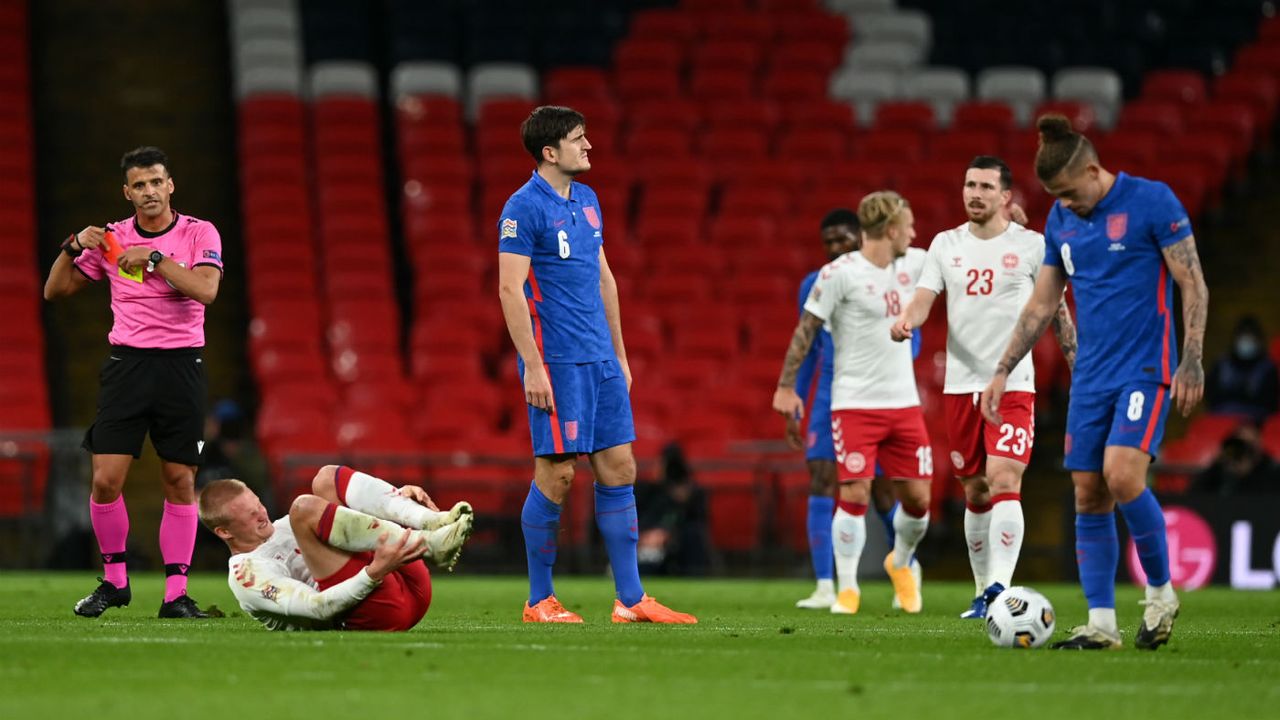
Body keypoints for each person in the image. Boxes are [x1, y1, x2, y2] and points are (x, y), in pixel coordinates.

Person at [981, 115, 1209, 650]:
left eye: (1069, 192)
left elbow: (1192, 283)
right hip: (1091, 376)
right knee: (1088, 495)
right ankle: (1102, 624)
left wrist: (1191, 358)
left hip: (1144, 368)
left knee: (1123, 474)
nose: (1066, 203)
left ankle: (1160, 595)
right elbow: (1042, 304)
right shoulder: (1062, 221)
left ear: (1092, 169)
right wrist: (1000, 369)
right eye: (1055, 196)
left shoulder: (1151, 202)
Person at [497, 105, 696, 624]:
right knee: (557, 476)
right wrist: (533, 367)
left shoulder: (587, 200)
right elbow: (509, 289)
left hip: (601, 360)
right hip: (558, 362)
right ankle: (538, 600)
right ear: (550, 151)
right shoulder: (522, 208)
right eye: (579, 140)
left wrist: (621, 356)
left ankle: (630, 600)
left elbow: (605, 279)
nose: (589, 147)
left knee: (621, 468)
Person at [890, 156, 1078, 619]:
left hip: (1015, 383)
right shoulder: (945, 244)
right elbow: (923, 297)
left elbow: (1056, 310)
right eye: (969, 184)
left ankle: (1000, 588)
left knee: (1004, 479)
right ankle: (982, 591)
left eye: (985, 187)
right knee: (975, 490)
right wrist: (907, 321)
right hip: (961, 386)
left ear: (1005, 196)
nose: (974, 193)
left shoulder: (1033, 246)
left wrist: (1077, 361)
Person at [44, 146, 224, 619]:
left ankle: (175, 595)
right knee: (104, 480)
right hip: (127, 367)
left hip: (182, 366)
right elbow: (55, 290)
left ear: (170, 186)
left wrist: (157, 258)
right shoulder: (112, 239)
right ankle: (115, 582)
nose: (148, 192)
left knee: (179, 479)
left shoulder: (198, 232)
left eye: (155, 182)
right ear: (127, 193)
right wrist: (73, 245)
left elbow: (206, 289)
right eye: (139, 185)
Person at [773, 191, 933, 616]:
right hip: (845, 400)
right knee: (844, 486)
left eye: (843, 237)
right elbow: (806, 338)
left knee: (910, 498)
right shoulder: (831, 277)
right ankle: (839, 588)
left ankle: (901, 562)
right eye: (828, 242)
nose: (835, 247)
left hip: (901, 401)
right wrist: (790, 392)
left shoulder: (916, 264)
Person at [198, 465, 474, 631]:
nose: (262, 513)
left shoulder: (283, 525)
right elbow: (318, 608)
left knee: (325, 478)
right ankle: (428, 545)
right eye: (249, 515)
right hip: (374, 614)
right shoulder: (247, 575)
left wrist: (398, 503)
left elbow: (358, 522)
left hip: (408, 579)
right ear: (224, 532)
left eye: (257, 503)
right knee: (304, 509)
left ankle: (431, 521)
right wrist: (373, 574)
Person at [635, 443, 710, 576]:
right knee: (646, 558)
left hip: (677, 544)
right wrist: (645, 534)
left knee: (691, 537)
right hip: (647, 541)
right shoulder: (648, 491)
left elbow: (698, 521)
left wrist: (668, 534)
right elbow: (642, 517)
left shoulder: (693, 494)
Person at [1205, 315, 1278, 424]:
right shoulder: (1221, 365)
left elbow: (1271, 402)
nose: (1246, 341)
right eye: (1243, 336)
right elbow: (1211, 396)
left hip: (1258, 422)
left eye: (1250, 337)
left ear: (1258, 340)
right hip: (1222, 419)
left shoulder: (1268, 368)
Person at [1191, 424, 1280, 495]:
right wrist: (1229, 473)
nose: (1245, 450)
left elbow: (1269, 502)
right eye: (1241, 444)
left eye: (1250, 445)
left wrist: (1246, 474)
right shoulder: (1220, 468)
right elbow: (1196, 495)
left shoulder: (1272, 469)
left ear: (1259, 444)